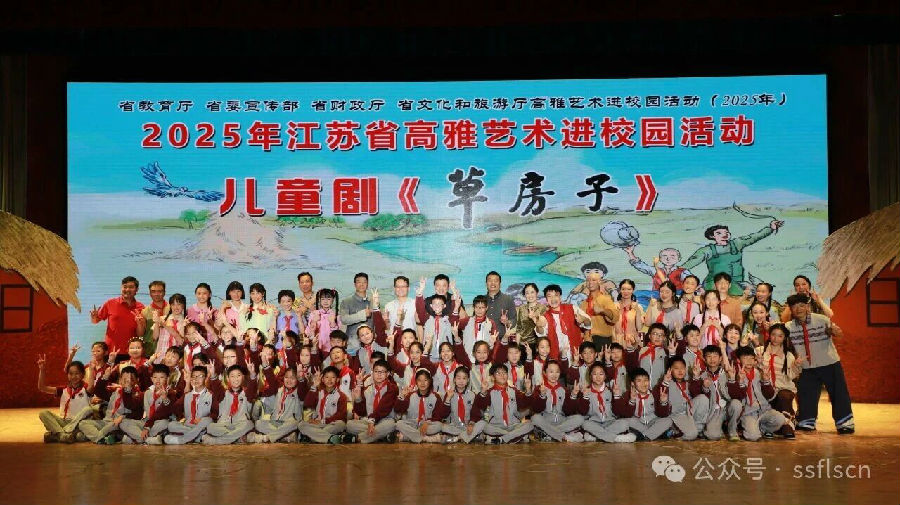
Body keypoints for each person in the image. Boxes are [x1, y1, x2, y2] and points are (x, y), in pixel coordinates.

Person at [783, 294, 853, 434]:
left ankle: (845, 423)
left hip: (829, 363)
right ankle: (807, 421)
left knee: (838, 393)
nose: (798, 309)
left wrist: (835, 332)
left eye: (802, 305)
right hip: (807, 367)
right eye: (794, 306)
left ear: (807, 307)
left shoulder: (822, 320)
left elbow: (837, 333)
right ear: (790, 309)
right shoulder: (788, 327)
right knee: (806, 394)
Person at [678, 219, 784, 296]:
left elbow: (754, 237)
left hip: (736, 283)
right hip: (714, 285)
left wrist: (770, 228)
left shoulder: (737, 244)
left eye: (726, 232)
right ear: (712, 236)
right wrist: (677, 272)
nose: (724, 235)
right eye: (719, 233)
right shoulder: (707, 250)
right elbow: (690, 263)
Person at [727, 346, 787, 441]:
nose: (749, 361)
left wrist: (766, 381)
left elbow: (770, 396)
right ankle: (750, 428)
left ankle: (762, 429)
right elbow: (736, 397)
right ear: (738, 360)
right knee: (753, 437)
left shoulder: (760, 372)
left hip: (765, 410)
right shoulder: (735, 374)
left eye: (751, 358)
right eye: (745, 358)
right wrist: (741, 382)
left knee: (780, 419)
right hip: (748, 413)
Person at [758, 323, 802, 439]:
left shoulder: (788, 356)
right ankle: (771, 426)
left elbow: (791, 376)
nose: (776, 338)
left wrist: (796, 365)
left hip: (783, 388)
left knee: (784, 397)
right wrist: (758, 363)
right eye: (773, 334)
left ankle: (787, 425)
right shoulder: (760, 351)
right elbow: (754, 372)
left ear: (784, 338)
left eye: (780, 336)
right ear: (769, 335)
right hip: (765, 388)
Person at [474, 363, 536, 444]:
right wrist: (483, 392)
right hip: (496, 426)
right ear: (492, 377)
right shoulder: (489, 392)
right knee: (485, 427)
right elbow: (481, 406)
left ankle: (501, 439)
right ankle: (515, 437)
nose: (502, 375)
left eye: (504, 372)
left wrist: (528, 390)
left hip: (513, 425)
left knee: (530, 425)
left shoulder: (514, 391)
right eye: (498, 373)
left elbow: (524, 404)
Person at [79, 366, 143, 444]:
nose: (127, 382)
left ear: (137, 380)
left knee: (109, 427)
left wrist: (128, 390)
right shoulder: (116, 391)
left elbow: (137, 413)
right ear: (120, 380)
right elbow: (99, 392)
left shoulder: (139, 395)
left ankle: (100, 437)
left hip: (118, 424)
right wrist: (105, 377)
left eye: (130, 380)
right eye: (125, 380)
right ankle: (102, 439)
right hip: (106, 421)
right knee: (83, 423)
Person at [119, 364, 179, 445]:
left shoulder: (171, 393)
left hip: (159, 422)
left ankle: (136, 438)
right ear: (151, 379)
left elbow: (162, 414)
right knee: (124, 422)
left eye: (161, 377)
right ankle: (148, 440)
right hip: (146, 422)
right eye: (155, 377)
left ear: (167, 379)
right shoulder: (147, 392)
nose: (158, 380)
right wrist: (127, 390)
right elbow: (132, 405)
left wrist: (165, 398)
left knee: (166, 423)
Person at [37, 357, 92, 443]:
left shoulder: (86, 388)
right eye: (70, 373)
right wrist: (42, 370)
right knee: (43, 413)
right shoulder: (63, 390)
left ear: (82, 374)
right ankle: (62, 435)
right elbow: (42, 387)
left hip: (80, 423)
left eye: (77, 373)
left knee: (80, 435)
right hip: (65, 422)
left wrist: (92, 370)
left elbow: (91, 387)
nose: (73, 376)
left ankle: (57, 434)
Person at [576, 363, 634, 443]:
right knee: (585, 424)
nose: (598, 377)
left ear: (605, 376)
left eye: (601, 374)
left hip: (610, 422)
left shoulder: (611, 391)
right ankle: (615, 438)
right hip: (594, 422)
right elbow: (583, 412)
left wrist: (616, 396)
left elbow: (618, 412)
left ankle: (596, 437)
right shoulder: (585, 391)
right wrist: (585, 397)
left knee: (624, 423)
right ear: (590, 376)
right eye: (594, 374)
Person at [202, 364, 258, 445]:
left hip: (240, 424)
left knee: (249, 424)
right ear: (228, 378)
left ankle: (217, 441)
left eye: (238, 375)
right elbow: (217, 387)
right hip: (224, 425)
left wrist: (252, 374)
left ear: (243, 377)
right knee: (211, 427)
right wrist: (213, 374)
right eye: (232, 376)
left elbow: (253, 387)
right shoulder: (223, 394)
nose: (236, 379)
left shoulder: (247, 393)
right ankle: (238, 438)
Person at [89, 276, 146, 355]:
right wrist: (94, 317)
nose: (127, 289)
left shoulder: (141, 307)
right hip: (111, 351)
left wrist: (139, 323)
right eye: (125, 287)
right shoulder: (110, 303)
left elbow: (140, 334)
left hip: (132, 352)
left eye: (131, 287)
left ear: (137, 289)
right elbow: (95, 321)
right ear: (121, 288)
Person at [611, 367, 672, 441]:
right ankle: (653, 435)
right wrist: (632, 401)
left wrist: (663, 402)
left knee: (668, 420)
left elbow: (662, 414)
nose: (643, 383)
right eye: (639, 381)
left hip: (653, 423)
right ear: (633, 383)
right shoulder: (628, 395)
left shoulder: (654, 394)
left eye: (646, 380)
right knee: (625, 421)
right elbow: (626, 415)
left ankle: (644, 436)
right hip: (638, 425)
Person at [531, 360, 585, 442]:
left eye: (557, 372)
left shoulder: (564, 390)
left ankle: (548, 434)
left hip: (561, 421)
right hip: (546, 420)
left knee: (580, 418)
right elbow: (536, 409)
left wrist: (573, 395)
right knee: (535, 418)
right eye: (551, 372)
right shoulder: (539, 388)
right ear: (544, 373)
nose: (554, 375)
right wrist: (542, 395)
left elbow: (568, 411)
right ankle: (563, 436)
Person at [251, 366, 307, 443]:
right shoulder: (279, 390)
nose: (289, 380)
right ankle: (284, 437)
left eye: (292, 378)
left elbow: (303, 388)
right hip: (276, 423)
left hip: (288, 424)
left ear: (297, 379)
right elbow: (272, 381)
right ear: (283, 378)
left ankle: (268, 437)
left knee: (296, 424)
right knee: (258, 423)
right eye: (286, 377)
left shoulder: (299, 393)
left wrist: (301, 379)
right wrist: (265, 365)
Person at [348, 359, 398, 444]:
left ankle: (358, 438)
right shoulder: (367, 389)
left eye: (382, 372)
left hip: (385, 420)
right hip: (369, 421)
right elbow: (362, 412)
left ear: (388, 374)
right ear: (372, 373)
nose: (379, 374)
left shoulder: (392, 388)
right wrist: (358, 398)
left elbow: (383, 408)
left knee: (391, 425)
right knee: (350, 425)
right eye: (376, 371)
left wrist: (372, 421)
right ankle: (382, 436)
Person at [535, 284, 591, 360]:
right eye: (549, 296)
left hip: (576, 353)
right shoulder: (545, 316)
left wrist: (584, 319)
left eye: (556, 295)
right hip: (557, 356)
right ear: (546, 299)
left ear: (560, 297)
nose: (553, 298)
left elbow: (588, 324)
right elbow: (541, 333)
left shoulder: (572, 308)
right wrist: (538, 326)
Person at [657, 357, 707, 441]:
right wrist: (665, 383)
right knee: (691, 435)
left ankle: (698, 430)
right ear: (670, 370)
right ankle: (675, 431)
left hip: (688, 411)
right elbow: (661, 396)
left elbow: (697, 395)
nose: (680, 371)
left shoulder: (688, 383)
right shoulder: (667, 383)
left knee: (703, 398)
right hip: (677, 414)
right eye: (676, 368)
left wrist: (696, 377)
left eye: (682, 368)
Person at [163, 365, 216, 445]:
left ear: (205, 378)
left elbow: (216, 413)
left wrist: (202, 419)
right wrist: (165, 397)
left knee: (208, 420)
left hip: (202, 425)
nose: (196, 379)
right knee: (171, 425)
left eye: (200, 376)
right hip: (189, 426)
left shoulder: (211, 395)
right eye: (194, 376)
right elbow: (174, 410)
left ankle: (182, 440)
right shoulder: (187, 395)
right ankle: (198, 437)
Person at [393, 369, 449, 443]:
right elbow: (397, 409)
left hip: (428, 425)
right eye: (419, 380)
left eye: (425, 380)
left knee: (439, 425)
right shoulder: (410, 395)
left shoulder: (435, 396)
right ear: (416, 382)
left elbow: (438, 416)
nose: (422, 383)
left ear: (429, 381)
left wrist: (427, 422)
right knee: (398, 424)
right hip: (413, 424)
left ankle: (409, 437)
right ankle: (426, 438)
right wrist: (402, 396)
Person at [299, 367, 348, 444]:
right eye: (327, 377)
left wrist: (324, 421)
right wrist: (314, 386)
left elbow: (341, 415)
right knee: (301, 425)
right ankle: (331, 438)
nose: (329, 380)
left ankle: (313, 436)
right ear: (322, 379)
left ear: (338, 380)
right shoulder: (318, 392)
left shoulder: (341, 396)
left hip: (331, 424)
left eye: (333, 377)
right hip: (317, 424)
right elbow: (307, 404)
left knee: (340, 424)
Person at [440, 366, 487, 444]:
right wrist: (448, 399)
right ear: (454, 380)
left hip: (467, 426)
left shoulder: (472, 395)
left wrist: (471, 424)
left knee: (483, 423)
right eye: (458, 378)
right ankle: (471, 437)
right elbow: (443, 415)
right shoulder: (449, 394)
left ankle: (456, 438)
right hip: (454, 426)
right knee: (441, 426)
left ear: (468, 380)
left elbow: (476, 413)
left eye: (464, 378)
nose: (461, 381)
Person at [623, 245, 689, 292]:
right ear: (660, 259)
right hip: (657, 295)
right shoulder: (655, 270)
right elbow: (640, 265)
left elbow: (691, 283)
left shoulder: (683, 272)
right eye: (664, 256)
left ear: (679, 259)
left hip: (676, 296)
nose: (668, 258)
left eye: (672, 256)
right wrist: (630, 253)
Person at [340, 272, 377, 353]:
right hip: (353, 345)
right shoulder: (346, 301)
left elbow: (377, 322)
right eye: (359, 282)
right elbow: (344, 319)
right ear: (355, 284)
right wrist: (362, 315)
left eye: (364, 282)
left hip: (371, 344)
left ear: (367, 284)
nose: (362, 284)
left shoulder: (373, 302)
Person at [580, 272, 619, 347]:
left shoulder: (606, 299)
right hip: (588, 340)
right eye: (588, 280)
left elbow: (615, 317)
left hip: (602, 339)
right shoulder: (583, 303)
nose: (590, 282)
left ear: (599, 282)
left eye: (593, 280)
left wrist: (603, 310)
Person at [509, 282, 547, 349]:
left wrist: (534, 318)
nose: (530, 295)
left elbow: (543, 330)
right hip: (522, 344)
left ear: (537, 293)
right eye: (527, 293)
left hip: (537, 345)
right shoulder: (522, 308)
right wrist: (517, 346)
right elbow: (519, 328)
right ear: (524, 295)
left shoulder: (543, 308)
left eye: (532, 292)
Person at [422, 294, 455, 361]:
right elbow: (419, 309)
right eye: (435, 304)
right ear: (431, 306)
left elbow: (454, 312)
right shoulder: (427, 319)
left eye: (440, 304)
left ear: (444, 306)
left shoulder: (447, 320)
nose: (437, 306)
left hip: (444, 355)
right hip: (430, 353)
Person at [484, 271, 516, 339]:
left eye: (496, 281)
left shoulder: (508, 299)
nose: (493, 283)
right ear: (486, 283)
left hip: (502, 338)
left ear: (500, 284)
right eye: (490, 280)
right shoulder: (481, 300)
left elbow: (514, 320)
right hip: (483, 338)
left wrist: (507, 322)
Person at [141, 281, 169, 355]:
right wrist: (139, 323)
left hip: (169, 350)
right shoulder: (145, 311)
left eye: (159, 291)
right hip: (150, 350)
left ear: (164, 292)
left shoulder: (172, 309)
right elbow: (141, 334)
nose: (156, 294)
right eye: (153, 291)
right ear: (150, 293)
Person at [614, 279, 644, 347]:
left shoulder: (638, 307)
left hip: (632, 341)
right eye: (623, 289)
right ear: (620, 290)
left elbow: (639, 328)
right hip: (617, 341)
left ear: (633, 290)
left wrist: (637, 310)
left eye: (629, 289)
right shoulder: (614, 306)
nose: (626, 292)